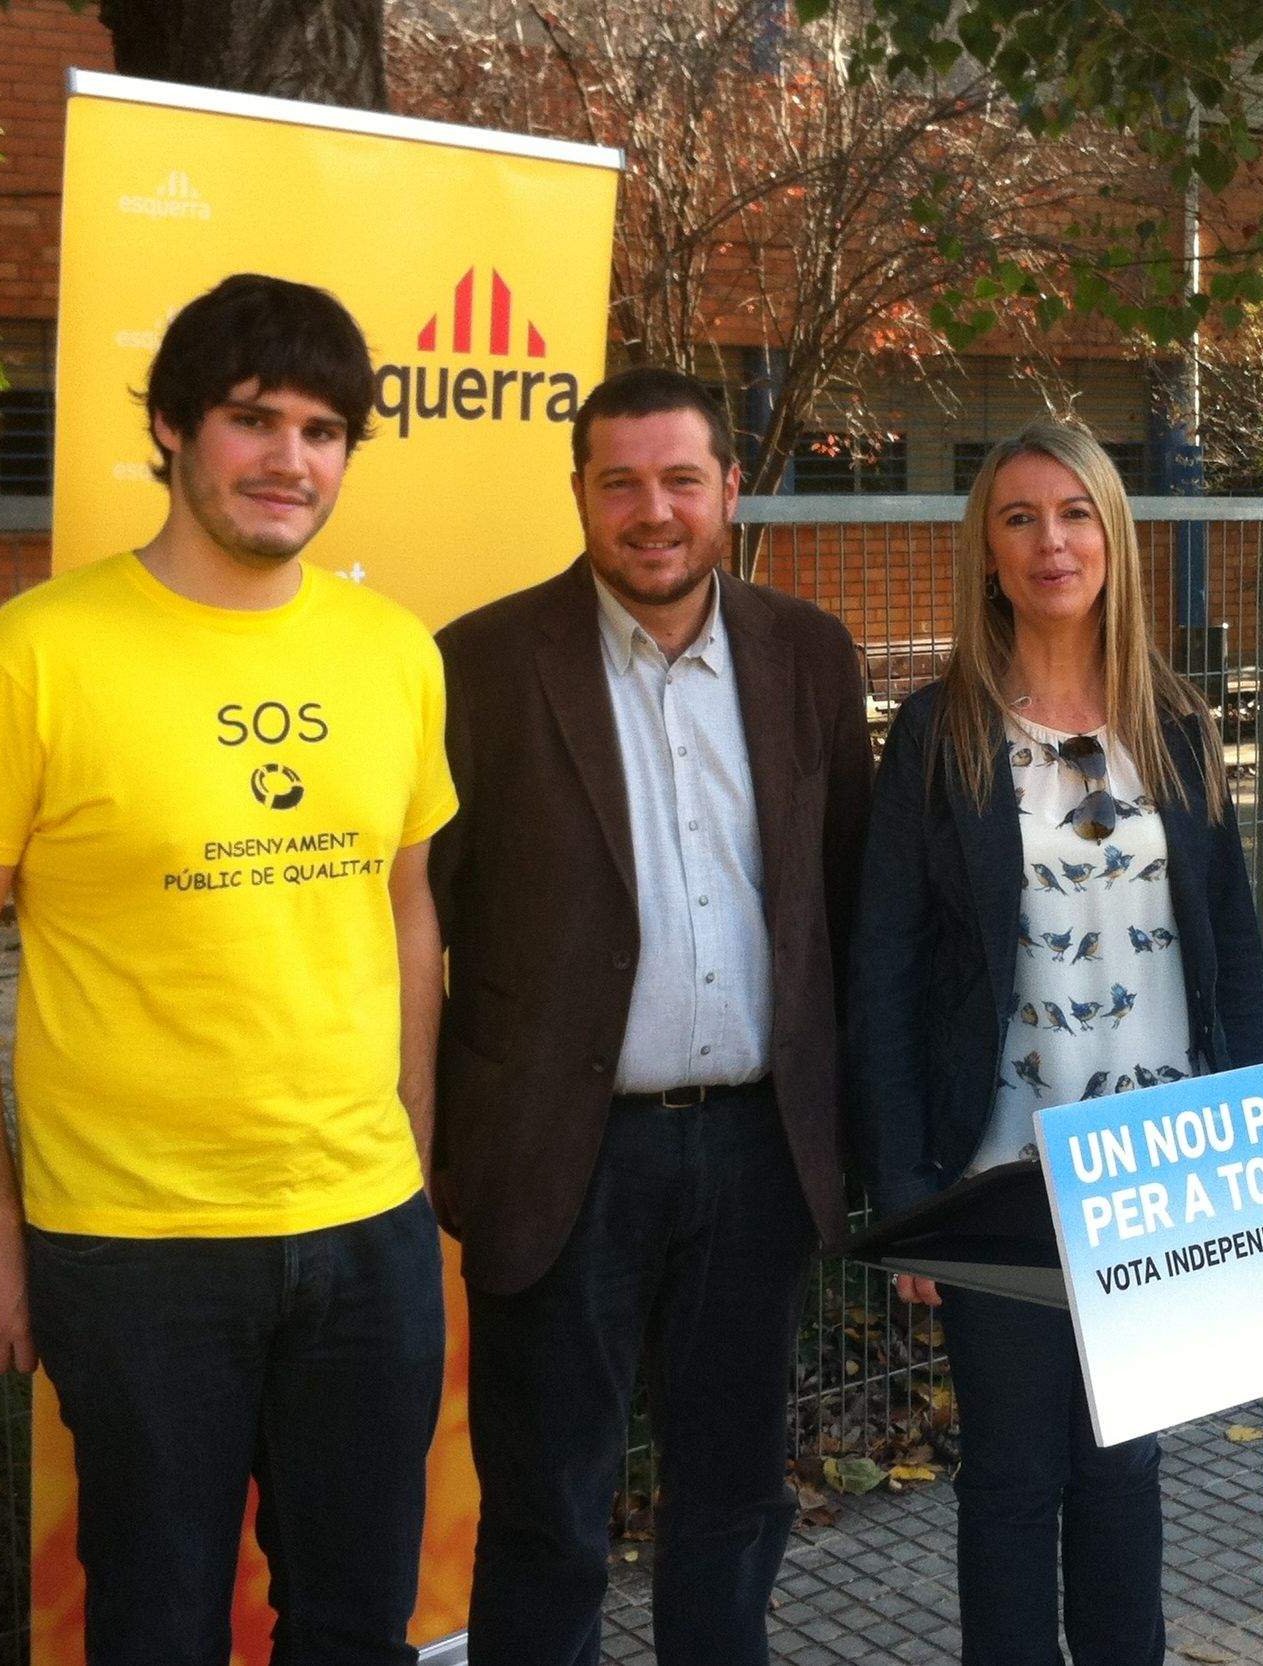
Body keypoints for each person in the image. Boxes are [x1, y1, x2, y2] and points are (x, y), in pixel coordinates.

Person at [0, 273, 454, 1664]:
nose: (289, 459)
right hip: (132, 1249)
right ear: (170, 429)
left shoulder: (392, 654)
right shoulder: (34, 655)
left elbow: (410, 913)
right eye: (253, 419)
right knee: (153, 1622)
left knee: (355, 1619)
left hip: (362, 1229)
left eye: (324, 430)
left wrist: (413, 1153)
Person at [428, 365, 874, 1666]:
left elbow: (840, 900)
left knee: (732, 1505)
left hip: (752, 1149)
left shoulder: (808, 655)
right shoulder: (479, 665)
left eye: (680, 479)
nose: (651, 511)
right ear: (576, 493)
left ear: (730, 490)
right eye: (618, 482)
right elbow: (417, 925)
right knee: (546, 1519)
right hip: (563, 1155)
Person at [846, 420, 1263, 1666]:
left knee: (1124, 1466)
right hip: (1002, 1174)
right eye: (1020, 517)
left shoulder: (1177, 723)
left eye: (1075, 513)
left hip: (1157, 1163)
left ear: (1113, 538)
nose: (1051, 541)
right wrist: (909, 1191)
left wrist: (1246, 1136)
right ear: (985, 548)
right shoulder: (940, 735)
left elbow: (1230, 948)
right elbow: (880, 970)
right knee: (1013, 1477)